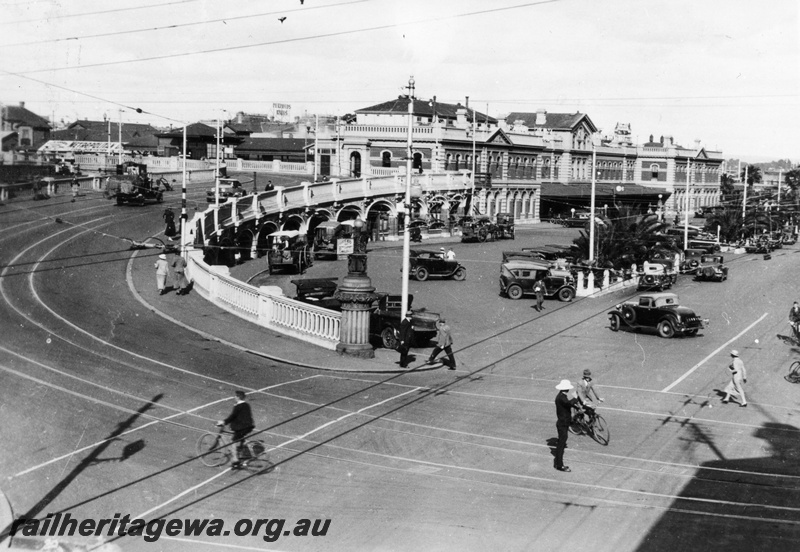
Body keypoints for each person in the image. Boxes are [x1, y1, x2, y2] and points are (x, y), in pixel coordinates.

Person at [216, 391, 255, 469]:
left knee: (232, 440)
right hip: (249, 426)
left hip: (242, 427)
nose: (234, 397)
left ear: (238, 397)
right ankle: (241, 453)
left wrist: (223, 422)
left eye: (235, 396)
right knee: (240, 438)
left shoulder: (237, 406)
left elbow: (232, 417)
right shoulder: (247, 405)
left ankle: (235, 460)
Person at [554, 379, 582, 472]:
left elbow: (567, 405)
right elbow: (568, 403)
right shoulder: (562, 398)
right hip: (563, 423)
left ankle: (559, 463)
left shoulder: (561, 396)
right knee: (561, 444)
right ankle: (559, 465)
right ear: (567, 389)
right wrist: (575, 397)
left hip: (562, 422)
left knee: (561, 442)